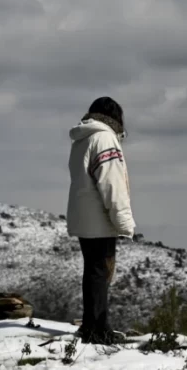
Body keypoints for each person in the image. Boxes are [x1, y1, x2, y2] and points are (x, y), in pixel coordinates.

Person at [66, 96, 135, 344]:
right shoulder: (105, 138)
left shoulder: (82, 139)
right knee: (101, 272)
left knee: (92, 271)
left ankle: (91, 325)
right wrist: (125, 223)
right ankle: (98, 330)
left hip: (83, 215)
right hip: (99, 217)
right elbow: (112, 185)